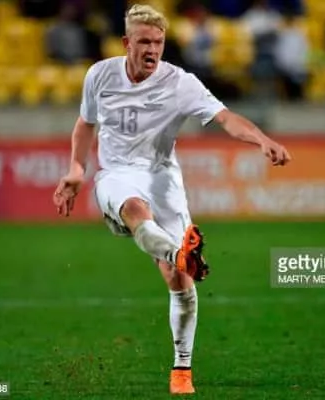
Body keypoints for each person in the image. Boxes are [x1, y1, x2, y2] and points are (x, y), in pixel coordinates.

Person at [52, 4, 291, 395]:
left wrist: (261, 139)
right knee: (135, 211)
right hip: (116, 174)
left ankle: (182, 369)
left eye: (158, 42)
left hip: (163, 176)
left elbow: (226, 118)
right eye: (144, 42)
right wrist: (77, 170)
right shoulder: (100, 75)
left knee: (178, 280)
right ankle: (181, 253)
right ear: (126, 42)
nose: (152, 49)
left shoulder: (181, 83)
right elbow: (85, 123)